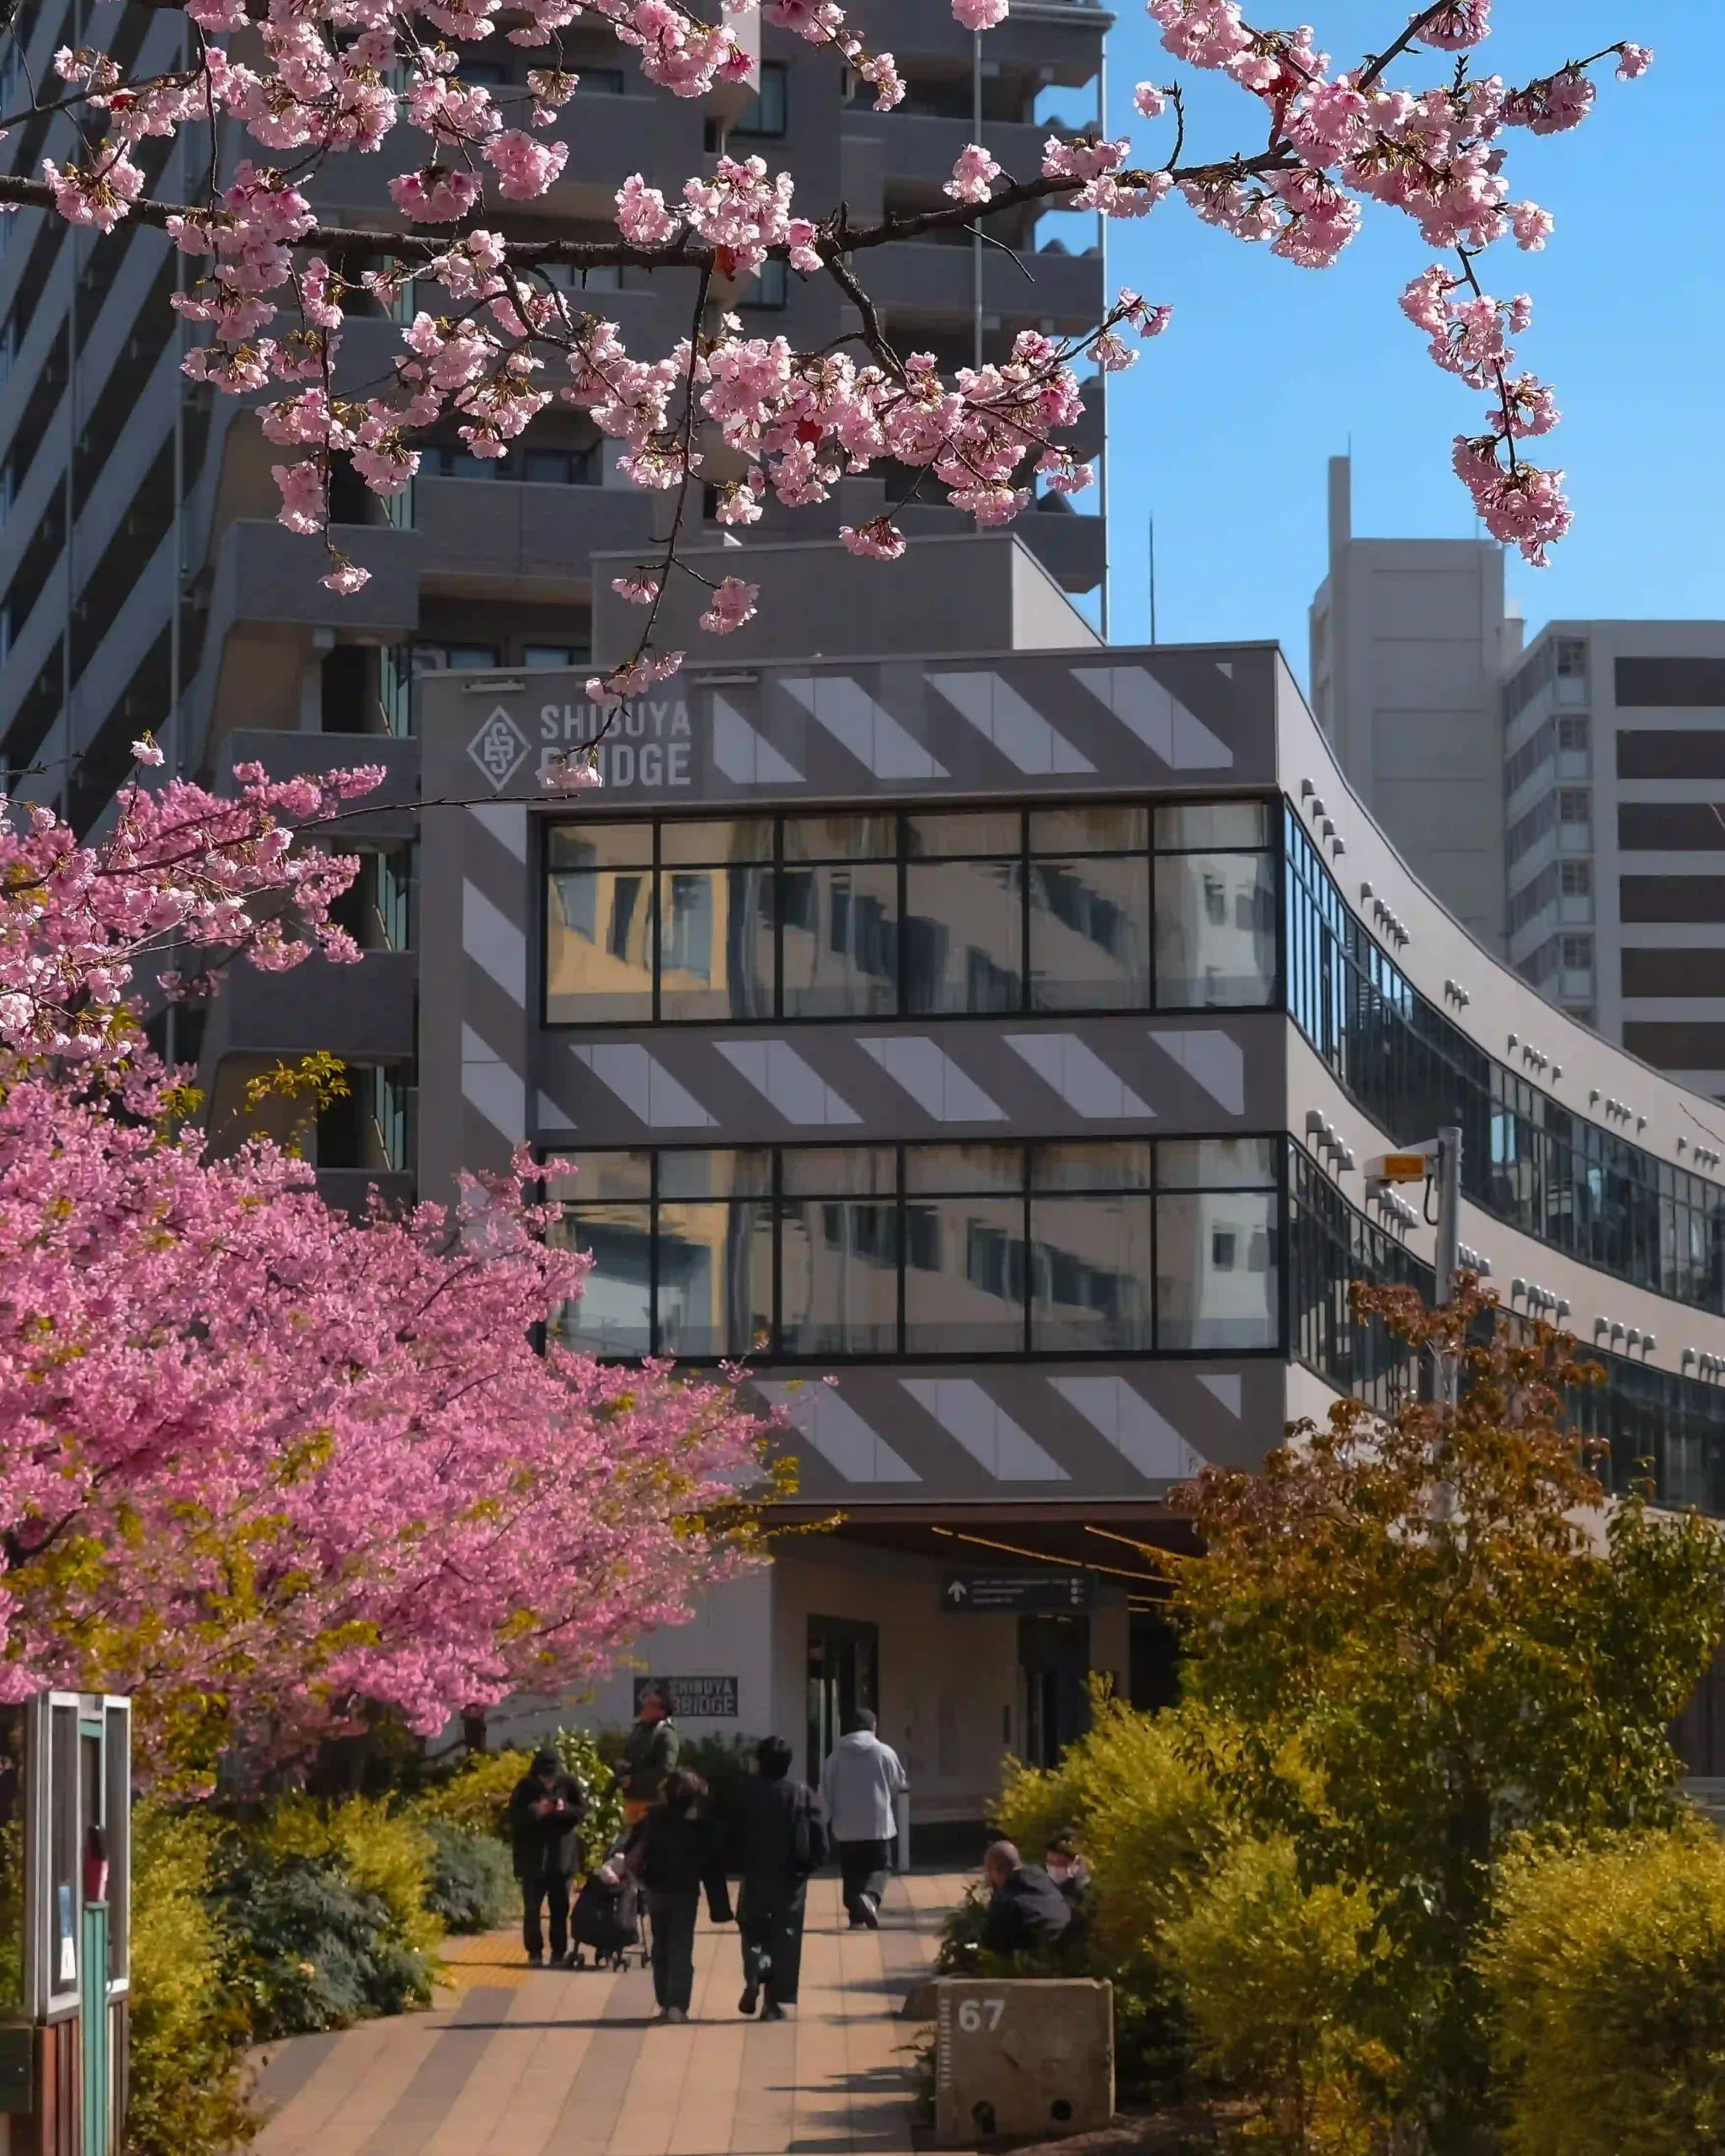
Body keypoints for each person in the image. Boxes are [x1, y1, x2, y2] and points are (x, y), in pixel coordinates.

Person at [733, 1735, 828, 2022]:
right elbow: (819, 1839)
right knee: (785, 1936)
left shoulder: (746, 1793)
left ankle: (754, 1970)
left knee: (752, 1929)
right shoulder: (801, 1794)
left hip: (754, 1875)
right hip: (791, 1878)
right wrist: (810, 1866)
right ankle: (772, 2003)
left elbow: (726, 1832)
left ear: (759, 1762)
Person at [626, 1767, 732, 2022]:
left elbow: (630, 1854)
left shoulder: (651, 1818)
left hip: (656, 1889)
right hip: (685, 1892)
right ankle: (677, 2006)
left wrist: (640, 1882)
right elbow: (712, 1866)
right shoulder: (699, 1825)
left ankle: (664, 2002)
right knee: (681, 1948)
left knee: (660, 1947)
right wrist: (721, 1906)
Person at [819, 1708, 906, 1930]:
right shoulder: (885, 1753)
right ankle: (871, 1896)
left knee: (851, 1871)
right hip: (878, 1825)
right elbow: (898, 1785)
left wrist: (823, 1824)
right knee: (881, 1866)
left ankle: (856, 1918)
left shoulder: (835, 1757)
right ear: (873, 1726)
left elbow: (825, 1792)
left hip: (845, 1827)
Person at [507, 1748, 585, 1967]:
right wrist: (536, 1810)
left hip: (561, 1857)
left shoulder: (568, 1785)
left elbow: (581, 1811)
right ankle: (534, 1952)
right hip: (533, 1857)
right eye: (544, 1776)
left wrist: (563, 1809)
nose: (547, 1781)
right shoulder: (525, 1787)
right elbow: (514, 1815)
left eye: (551, 1777)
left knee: (559, 1909)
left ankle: (558, 1952)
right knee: (532, 1909)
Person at [980, 1839, 1074, 1957]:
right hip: (1069, 1950)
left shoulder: (1004, 1901)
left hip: (1036, 1961)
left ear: (997, 1872)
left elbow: (992, 1947)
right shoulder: (1044, 1879)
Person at [620, 1687, 681, 1828]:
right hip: (630, 1800)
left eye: (651, 1704)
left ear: (662, 1711)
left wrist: (634, 1781)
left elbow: (665, 1770)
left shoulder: (666, 1735)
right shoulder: (639, 1730)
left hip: (651, 1802)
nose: (645, 1706)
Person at [1043, 1827, 1091, 1905]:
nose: (1053, 1868)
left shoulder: (1087, 1892)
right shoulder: (1044, 1889)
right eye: (1050, 1863)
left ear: (1076, 1863)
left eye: (1061, 1864)